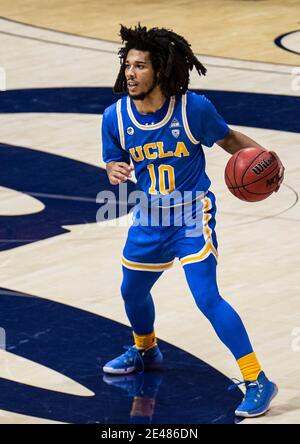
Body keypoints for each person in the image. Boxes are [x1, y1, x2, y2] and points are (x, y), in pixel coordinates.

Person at [101, 24, 284, 418]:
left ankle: (257, 380)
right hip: (149, 217)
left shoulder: (192, 109)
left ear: (160, 70)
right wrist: (113, 168)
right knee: (131, 292)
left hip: (190, 215)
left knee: (206, 297)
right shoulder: (114, 117)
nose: (130, 73)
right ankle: (146, 349)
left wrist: (268, 161)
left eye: (140, 66)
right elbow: (113, 155)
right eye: (127, 65)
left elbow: (231, 140)